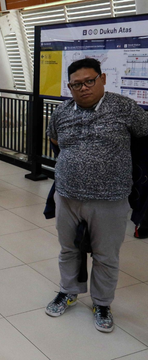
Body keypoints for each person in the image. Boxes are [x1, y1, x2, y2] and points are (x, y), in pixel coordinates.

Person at [45, 58, 148, 332]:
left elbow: (143, 138)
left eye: (89, 81)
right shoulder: (61, 112)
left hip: (110, 198)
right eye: (76, 84)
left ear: (102, 78)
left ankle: (101, 303)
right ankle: (68, 291)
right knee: (68, 249)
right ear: (70, 87)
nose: (84, 88)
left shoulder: (124, 107)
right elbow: (54, 139)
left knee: (106, 255)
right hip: (67, 195)